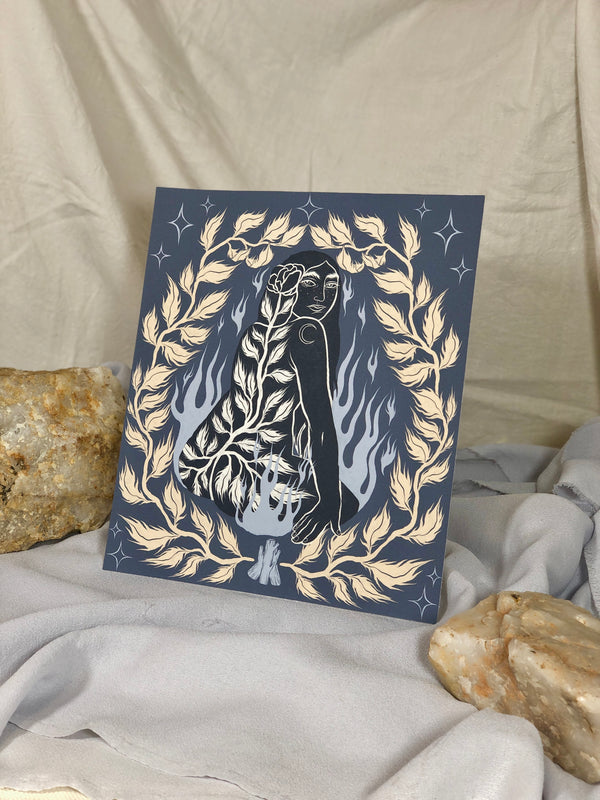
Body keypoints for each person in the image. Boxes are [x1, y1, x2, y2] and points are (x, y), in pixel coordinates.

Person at [178, 250, 358, 544]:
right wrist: (328, 500)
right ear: (292, 286)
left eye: (331, 286)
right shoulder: (307, 333)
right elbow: (320, 425)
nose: (322, 296)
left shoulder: (257, 331)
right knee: (344, 503)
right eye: (310, 284)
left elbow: (239, 405)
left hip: (197, 461)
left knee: (329, 494)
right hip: (238, 469)